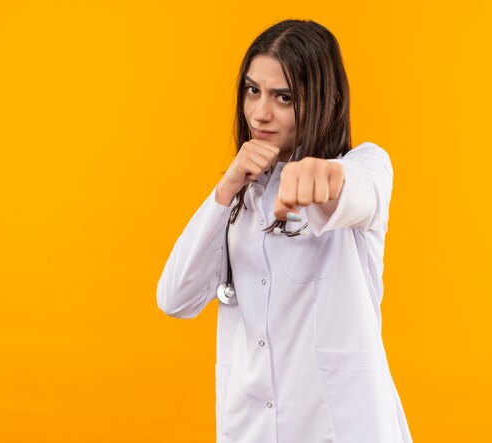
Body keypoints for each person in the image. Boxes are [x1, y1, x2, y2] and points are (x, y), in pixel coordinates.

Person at [157, 19, 413, 443]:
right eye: (253, 90)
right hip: (251, 424)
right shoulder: (243, 193)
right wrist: (227, 187)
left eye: (284, 97)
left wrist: (324, 176)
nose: (261, 112)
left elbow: (359, 193)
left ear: (324, 100)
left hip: (340, 425)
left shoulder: (363, 164)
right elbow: (174, 297)